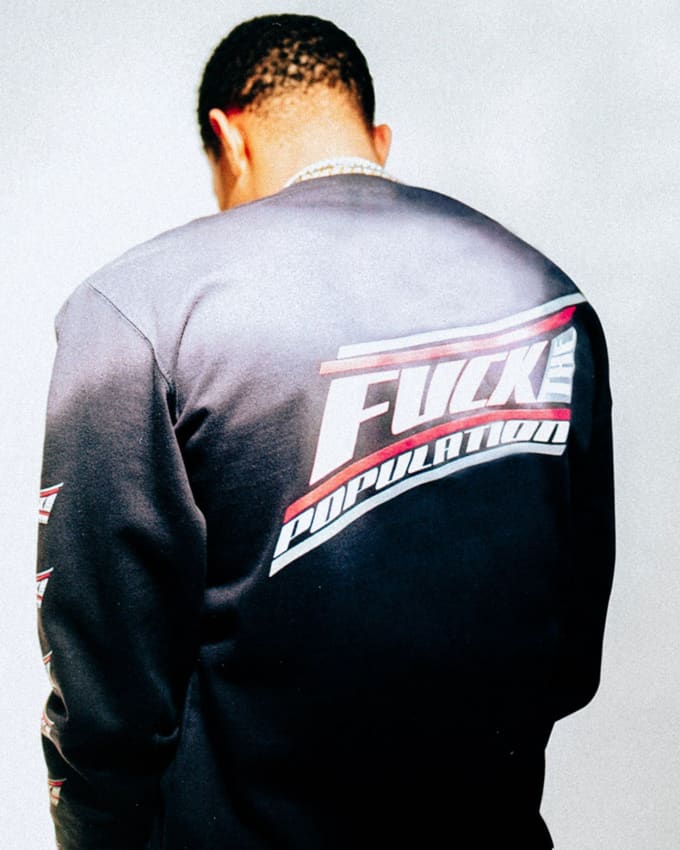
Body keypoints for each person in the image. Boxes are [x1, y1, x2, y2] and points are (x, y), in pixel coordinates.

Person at [36, 13, 615, 850]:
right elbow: (571, 649)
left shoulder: (139, 312)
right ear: (377, 140)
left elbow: (105, 701)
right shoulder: (547, 297)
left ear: (228, 138)